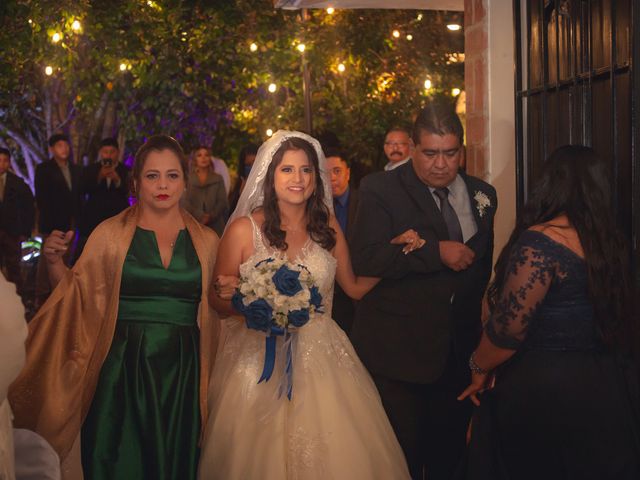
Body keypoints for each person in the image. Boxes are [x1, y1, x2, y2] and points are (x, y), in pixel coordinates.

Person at [198, 130, 417, 479]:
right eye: (287, 170)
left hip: (324, 359)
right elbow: (216, 297)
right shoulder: (244, 230)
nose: (297, 179)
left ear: (316, 179)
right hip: (259, 361)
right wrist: (257, 304)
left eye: (306, 170)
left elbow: (355, 287)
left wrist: (395, 252)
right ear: (271, 177)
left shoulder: (326, 228)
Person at [9, 135, 220, 479]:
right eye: (152, 176)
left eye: (172, 175)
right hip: (121, 368)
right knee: (117, 461)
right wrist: (52, 262)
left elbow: (220, 309)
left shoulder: (208, 242)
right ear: (135, 182)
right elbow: (77, 296)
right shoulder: (110, 234)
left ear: (185, 181)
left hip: (184, 372)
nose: (163, 185)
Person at [459, 145, 640, 480]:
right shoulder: (609, 242)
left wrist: (477, 366)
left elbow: (508, 332)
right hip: (605, 384)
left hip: (547, 390)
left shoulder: (540, 242)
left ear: (549, 185)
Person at [350, 102, 497, 480]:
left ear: (461, 151)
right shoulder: (379, 189)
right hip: (399, 358)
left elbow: (480, 274)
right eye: (430, 153)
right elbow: (366, 259)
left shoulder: (483, 196)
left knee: (451, 460)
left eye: (450, 153)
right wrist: (435, 252)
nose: (440, 164)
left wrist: (481, 355)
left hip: (458, 357)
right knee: (403, 464)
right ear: (413, 148)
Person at [325, 147, 359, 334]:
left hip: (358, 294)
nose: (331, 178)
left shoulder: (365, 203)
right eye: (326, 172)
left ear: (348, 172)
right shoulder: (314, 209)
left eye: (337, 171)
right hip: (328, 296)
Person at [78, 137, 130, 247]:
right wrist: (98, 177)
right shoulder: (90, 169)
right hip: (94, 219)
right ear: (101, 153)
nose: (109, 155)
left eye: (112, 152)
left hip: (118, 218)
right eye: (105, 152)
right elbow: (82, 189)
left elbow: (129, 191)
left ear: (118, 152)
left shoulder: (125, 170)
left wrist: (117, 180)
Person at [0, 147, 35, 300]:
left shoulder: (17, 183)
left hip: (11, 232)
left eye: (5, 161)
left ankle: (18, 298)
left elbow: (28, 207)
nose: (1, 164)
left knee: (14, 266)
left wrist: (25, 231)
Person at [182, 146, 229, 237]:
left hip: (215, 225)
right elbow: (185, 201)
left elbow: (222, 201)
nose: (203, 158)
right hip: (193, 223)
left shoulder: (218, 178)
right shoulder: (189, 178)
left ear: (210, 158)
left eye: (206, 155)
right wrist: (200, 215)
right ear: (195, 159)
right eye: (199, 155)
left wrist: (210, 216)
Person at [228, 143, 258, 213]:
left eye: (254, 163)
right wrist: (241, 195)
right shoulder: (241, 183)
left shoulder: (270, 183)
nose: (252, 168)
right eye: (248, 165)